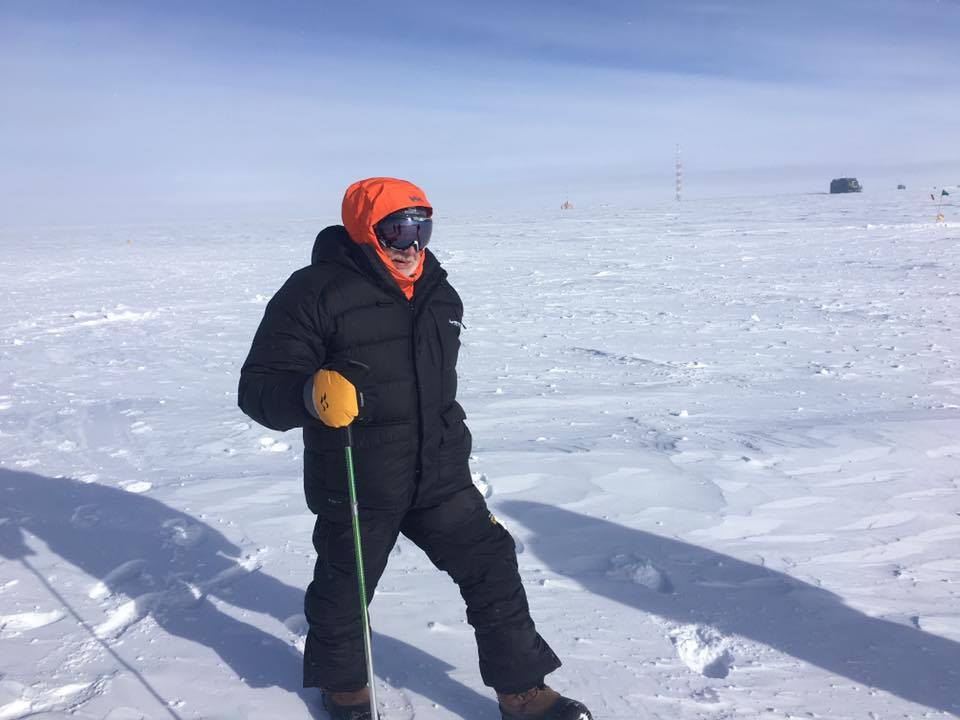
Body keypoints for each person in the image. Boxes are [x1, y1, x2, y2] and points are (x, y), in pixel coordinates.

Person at [238, 177, 592, 720]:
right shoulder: (313, 293)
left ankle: (523, 691)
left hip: (439, 474)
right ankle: (345, 689)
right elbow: (258, 388)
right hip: (360, 475)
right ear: (365, 230)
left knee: (491, 563)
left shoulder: (438, 292)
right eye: (396, 228)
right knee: (346, 587)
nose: (411, 244)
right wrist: (308, 394)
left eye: (421, 226)